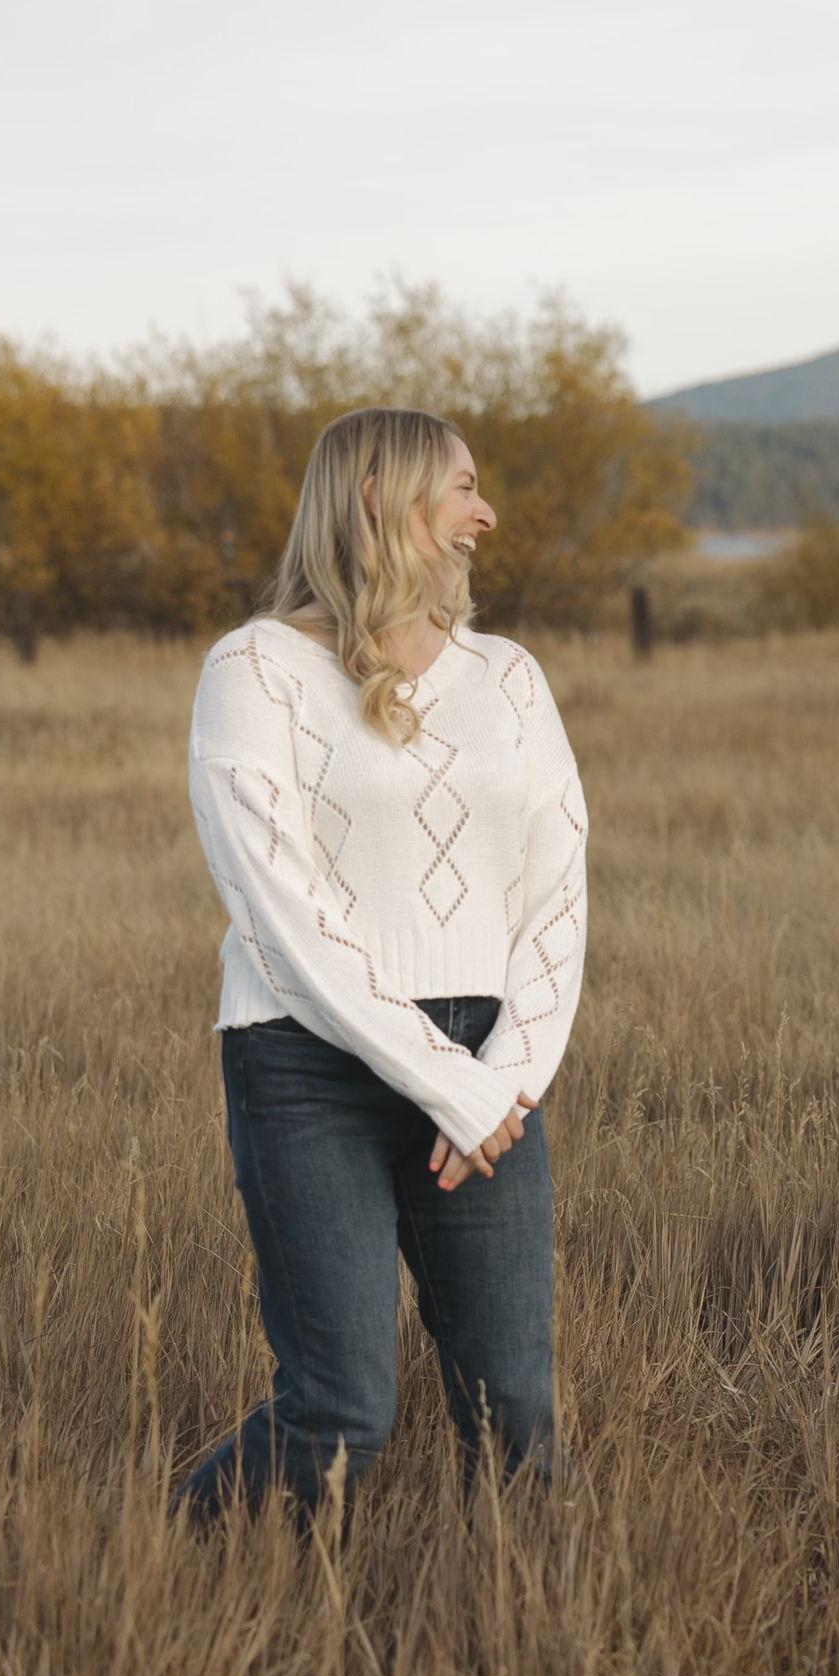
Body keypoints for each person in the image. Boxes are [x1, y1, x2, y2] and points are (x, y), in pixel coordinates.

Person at [173, 407, 589, 1524]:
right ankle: (165, 1559)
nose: (484, 513)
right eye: (459, 486)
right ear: (375, 497)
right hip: (306, 1063)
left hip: (485, 1072)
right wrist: (444, 1081)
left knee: (519, 1419)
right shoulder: (252, 670)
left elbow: (559, 888)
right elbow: (278, 911)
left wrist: (501, 1079)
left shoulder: (506, 678)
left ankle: (521, 1648)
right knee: (337, 1416)